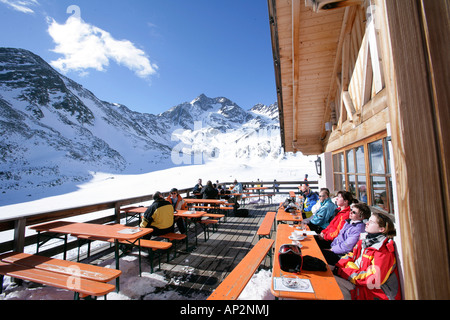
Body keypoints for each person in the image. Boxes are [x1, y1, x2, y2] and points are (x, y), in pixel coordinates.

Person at [334, 212, 402, 300]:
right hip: (359, 285)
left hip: (376, 294)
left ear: (382, 229)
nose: (366, 223)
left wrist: (344, 271)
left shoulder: (383, 251)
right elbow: (350, 256)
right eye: (368, 220)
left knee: (331, 285)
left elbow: (373, 280)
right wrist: (345, 268)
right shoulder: (365, 242)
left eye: (372, 222)